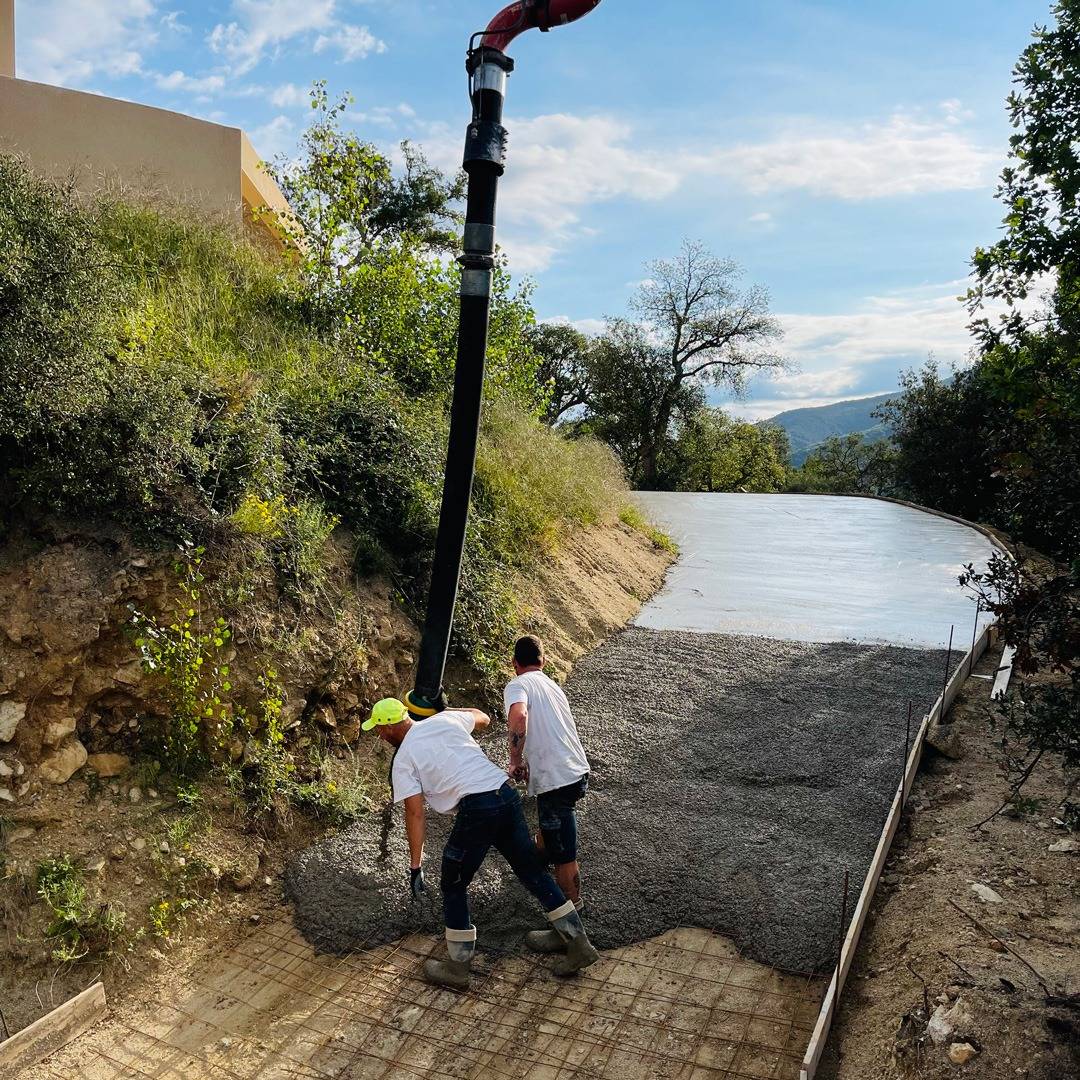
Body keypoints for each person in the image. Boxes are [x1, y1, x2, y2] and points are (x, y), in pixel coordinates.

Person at [363, 696, 600, 989]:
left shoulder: (404, 758)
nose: (379, 735)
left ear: (390, 728)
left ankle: (457, 967)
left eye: (380, 729)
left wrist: (416, 865)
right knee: (531, 871)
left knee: (453, 883)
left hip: (477, 809)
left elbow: (414, 812)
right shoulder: (444, 720)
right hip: (504, 795)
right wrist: (445, 711)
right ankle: (578, 943)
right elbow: (482, 716)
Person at [503, 634, 591, 956]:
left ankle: (569, 928)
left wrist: (514, 760)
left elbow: (520, 717)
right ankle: (540, 863)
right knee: (551, 831)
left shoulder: (518, 685)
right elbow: (548, 731)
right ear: (543, 662)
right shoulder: (552, 685)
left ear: (515, 664)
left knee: (564, 853)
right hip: (574, 770)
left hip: (558, 780)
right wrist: (529, 762)